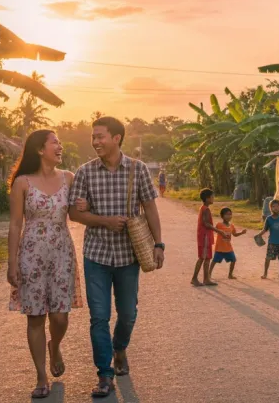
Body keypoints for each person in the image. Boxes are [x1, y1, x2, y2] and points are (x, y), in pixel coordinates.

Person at [68, 117, 165, 398]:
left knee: (128, 313)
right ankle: (104, 374)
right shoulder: (85, 172)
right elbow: (74, 213)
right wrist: (104, 221)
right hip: (95, 255)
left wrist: (159, 244)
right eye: (93, 137)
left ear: (117, 138)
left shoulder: (138, 169)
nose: (96, 141)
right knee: (99, 316)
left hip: (128, 256)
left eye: (101, 136)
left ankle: (119, 347)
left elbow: (150, 208)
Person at [7, 130, 83, 400]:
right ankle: (41, 376)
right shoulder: (23, 183)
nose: (60, 146)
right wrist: (12, 262)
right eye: (55, 143)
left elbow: (78, 211)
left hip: (62, 252)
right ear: (40, 149)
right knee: (36, 316)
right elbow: (16, 224)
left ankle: (56, 345)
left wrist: (83, 204)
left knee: (61, 316)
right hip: (31, 255)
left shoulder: (70, 178)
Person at [191, 189, 229, 286]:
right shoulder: (205, 209)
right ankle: (195, 278)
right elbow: (206, 224)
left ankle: (206, 279)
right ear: (207, 198)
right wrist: (219, 231)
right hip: (205, 237)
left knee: (207, 258)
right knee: (202, 258)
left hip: (205, 236)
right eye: (212, 197)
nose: (213, 198)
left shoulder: (204, 208)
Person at [209, 207, 247, 280]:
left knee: (233, 260)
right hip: (220, 248)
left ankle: (230, 275)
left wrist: (242, 233)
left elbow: (235, 234)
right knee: (214, 261)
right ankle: (209, 273)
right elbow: (214, 232)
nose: (228, 216)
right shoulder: (219, 225)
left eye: (230, 214)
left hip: (228, 248)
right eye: (226, 214)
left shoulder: (231, 226)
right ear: (222, 216)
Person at [259, 199, 279, 280]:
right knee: (268, 258)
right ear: (270, 208)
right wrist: (259, 235)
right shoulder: (269, 219)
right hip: (272, 242)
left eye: (277, 206)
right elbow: (265, 229)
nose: (275, 208)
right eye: (273, 206)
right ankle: (265, 273)